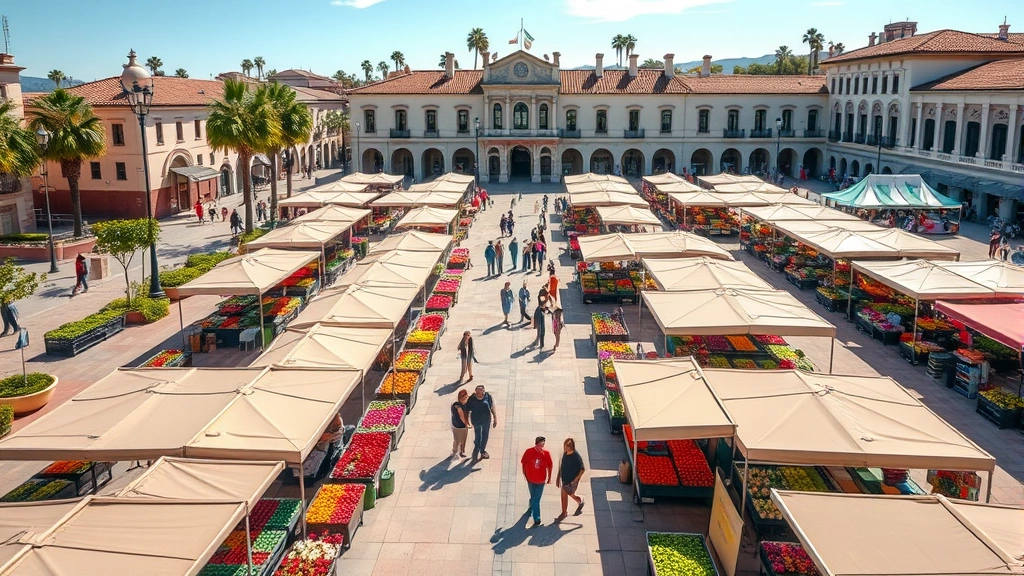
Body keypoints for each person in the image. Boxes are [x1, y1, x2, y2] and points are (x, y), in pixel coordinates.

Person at [521, 436, 553, 528]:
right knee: (533, 497)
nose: (541, 447)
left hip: (540, 481)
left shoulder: (546, 454)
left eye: (542, 445)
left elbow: (550, 466)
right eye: (539, 445)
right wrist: (525, 474)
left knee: (537, 499)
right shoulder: (529, 452)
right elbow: (524, 463)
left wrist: (549, 478)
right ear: (536, 444)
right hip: (530, 479)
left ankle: (537, 518)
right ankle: (531, 505)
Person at [555, 437, 585, 521]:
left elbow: (582, 469)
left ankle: (564, 513)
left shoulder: (576, 456)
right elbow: (562, 466)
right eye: (565, 446)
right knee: (566, 494)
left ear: (572, 447)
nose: (566, 448)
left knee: (565, 493)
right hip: (565, 479)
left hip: (572, 480)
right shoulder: (565, 454)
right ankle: (579, 501)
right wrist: (558, 478)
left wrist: (576, 479)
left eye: (568, 446)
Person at [464, 384, 497, 459]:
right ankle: (476, 449)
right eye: (477, 392)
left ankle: (482, 451)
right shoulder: (472, 398)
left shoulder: (487, 396)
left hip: (486, 421)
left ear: (483, 392)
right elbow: (467, 410)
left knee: (485, 436)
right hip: (476, 421)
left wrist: (495, 418)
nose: (478, 394)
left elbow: (492, 407)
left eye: (480, 392)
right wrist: (467, 422)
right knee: (478, 436)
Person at [451, 389, 470, 459]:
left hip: (459, 425)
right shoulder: (457, 406)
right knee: (458, 440)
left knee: (462, 439)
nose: (466, 398)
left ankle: (461, 451)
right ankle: (455, 452)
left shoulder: (460, 404)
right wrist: (467, 424)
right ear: (461, 398)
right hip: (459, 426)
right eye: (465, 397)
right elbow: (461, 415)